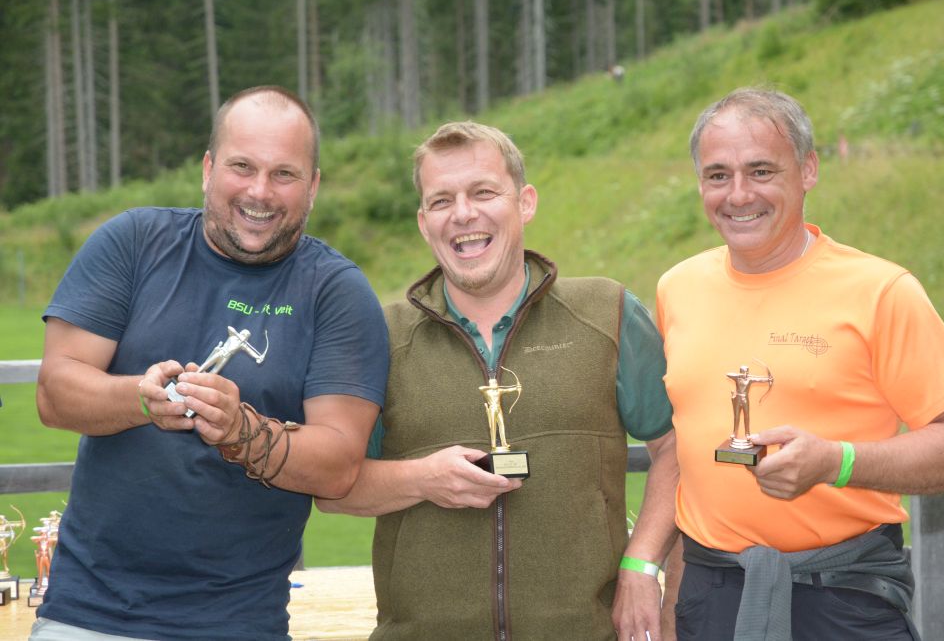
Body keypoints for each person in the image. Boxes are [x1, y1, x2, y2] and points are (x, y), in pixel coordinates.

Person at [33, 86, 389, 641]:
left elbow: (340, 464)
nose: (259, 192)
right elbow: (55, 393)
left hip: (241, 622)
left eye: (284, 174)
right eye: (241, 167)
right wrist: (142, 400)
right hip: (90, 614)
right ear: (208, 168)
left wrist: (242, 431)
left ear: (313, 186)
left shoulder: (336, 292)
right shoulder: (132, 242)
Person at [316, 121, 680, 640]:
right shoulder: (380, 337)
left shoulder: (608, 313)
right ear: (424, 222)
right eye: (442, 201)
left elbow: (675, 445)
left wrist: (641, 565)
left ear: (525, 202)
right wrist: (423, 480)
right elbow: (332, 488)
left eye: (484, 192)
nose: (463, 214)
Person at [656, 87, 944, 640]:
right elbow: (684, 455)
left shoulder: (881, 291)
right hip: (711, 596)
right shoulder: (678, 288)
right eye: (718, 175)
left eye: (761, 170)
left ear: (808, 169)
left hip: (843, 595)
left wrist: (836, 462)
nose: (738, 194)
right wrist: (669, 594)